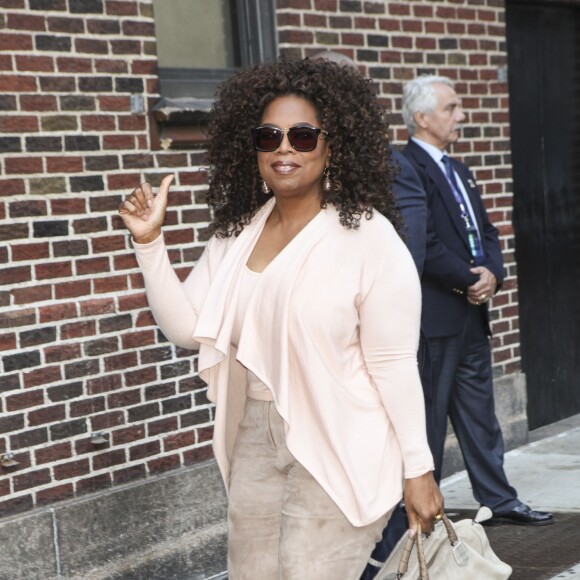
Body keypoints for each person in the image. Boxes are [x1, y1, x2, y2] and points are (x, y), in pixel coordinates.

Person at [119, 58, 443, 578]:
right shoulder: (238, 231)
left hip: (341, 439)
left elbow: (394, 362)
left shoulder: (370, 239)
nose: (284, 148)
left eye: (302, 135)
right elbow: (185, 328)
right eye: (269, 136)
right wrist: (149, 243)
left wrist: (418, 468)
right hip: (255, 435)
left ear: (333, 143)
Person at [401, 74, 553, 527]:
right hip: (437, 318)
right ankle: (421, 512)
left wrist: (493, 274)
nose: (461, 116)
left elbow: (486, 233)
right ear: (421, 117)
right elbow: (421, 241)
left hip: (472, 314)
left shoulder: (460, 170)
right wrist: (469, 278)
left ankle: (500, 500)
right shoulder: (407, 168)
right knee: (427, 421)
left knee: (481, 417)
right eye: (451, 108)